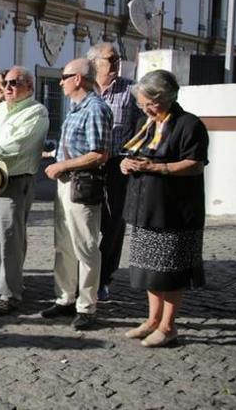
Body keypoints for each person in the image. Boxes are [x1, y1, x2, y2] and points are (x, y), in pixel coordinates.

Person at [120, 70, 209, 348]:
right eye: (142, 103)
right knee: (150, 270)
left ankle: (169, 327)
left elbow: (194, 163)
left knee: (171, 272)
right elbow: (132, 155)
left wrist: (157, 167)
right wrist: (126, 165)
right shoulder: (145, 123)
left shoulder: (189, 125)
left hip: (174, 212)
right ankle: (152, 320)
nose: (146, 108)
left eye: (150, 103)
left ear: (166, 97)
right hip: (145, 209)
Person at [0, 66, 49, 316]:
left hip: (13, 181)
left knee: (10, 241)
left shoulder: (37, 111)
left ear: (30, 86)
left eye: (15, 82)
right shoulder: (0, 109)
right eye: (5, 83)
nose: (8, 87)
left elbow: (19, 144)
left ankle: (9, 294)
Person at [41, 59, 113, 330]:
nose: (60, 81)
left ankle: (86, 306)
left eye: (64, 76)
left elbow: (99, 154)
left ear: (79, 79)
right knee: (64, 245)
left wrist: (62, 165)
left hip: (82, 185)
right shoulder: (74, 109)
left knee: (85, 246)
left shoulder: (95, 109)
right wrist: (52, 155)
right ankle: (65, 298)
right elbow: (74, 148)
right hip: (65, 184)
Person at [87, 42, 141, 301]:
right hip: (88, 165)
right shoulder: (86, 91)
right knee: (85, 223)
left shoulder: (131, 90)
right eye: (110, 58)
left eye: (118, 58)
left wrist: (130, 157)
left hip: (117, 164)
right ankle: (84, 275)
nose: (116, 62)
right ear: (95, 62)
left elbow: (143, 130)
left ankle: (103, 278)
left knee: (114, 225)